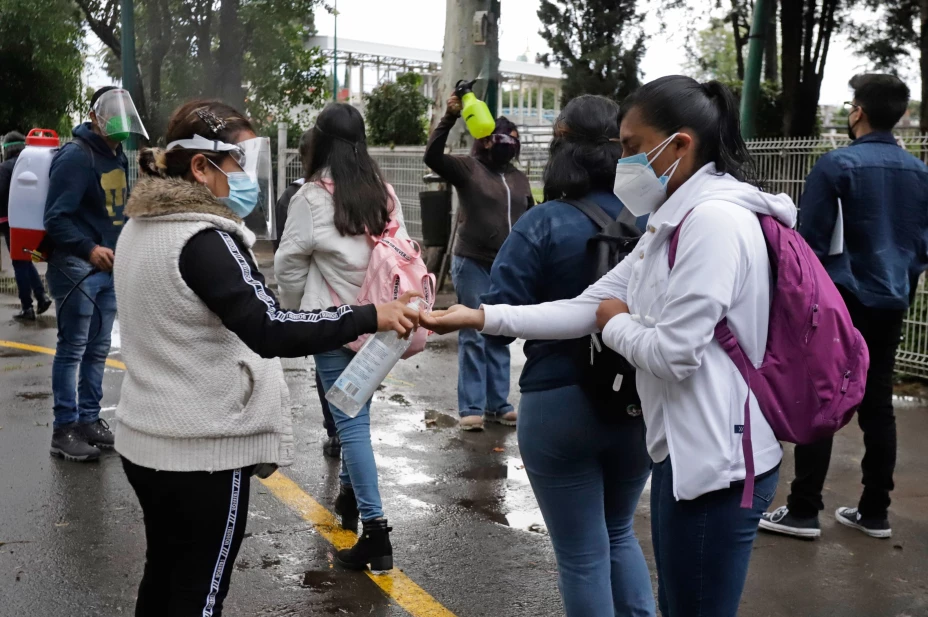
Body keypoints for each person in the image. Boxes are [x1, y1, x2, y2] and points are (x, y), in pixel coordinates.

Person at [423, 76, 792, 617]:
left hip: (720, 461)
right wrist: (476, 315)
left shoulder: (712, 221)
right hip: (682, 449)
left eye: (633, 147)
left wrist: (614, 324)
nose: (622, 160)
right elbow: (587, 303)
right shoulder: (670, 222)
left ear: (680, 145)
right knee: (650, 573)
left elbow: (672, 350)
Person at [115, 99, 420, 616]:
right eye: (235, 162)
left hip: (147, 440)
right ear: (200, 166)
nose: (241, 175)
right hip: (202, 450)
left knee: (164, 572)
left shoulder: (138, 229)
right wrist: (370, 315)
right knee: (199, 592)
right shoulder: (203, 238)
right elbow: (270, 326)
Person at [479, 95, 653, 616]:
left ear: (562, 146)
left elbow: (495, 320)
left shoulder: (543, 223)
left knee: (581, 556)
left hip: (559, 404)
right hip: (638, 402)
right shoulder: (654, 222)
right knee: (619, 533)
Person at [760, 74, 928, 540]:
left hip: (840, 300)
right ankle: (874, 512)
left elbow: (810, 242)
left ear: (858, 112)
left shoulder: (837, 165)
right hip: (893, 297)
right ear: (900, 116)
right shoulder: (920, 173)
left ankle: (804, 509)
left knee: (825, 392)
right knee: (878, 401)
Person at [274, 102, 409, 571]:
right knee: (359, 414)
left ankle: (376, 533)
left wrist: (293, 312)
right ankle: (351, 498)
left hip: (335, 324)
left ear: (320, 141)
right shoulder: (384, 193)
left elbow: (289, 263)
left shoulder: (312, 197)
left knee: (351, 425)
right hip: (383, 324)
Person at [44, 86, 146, 462]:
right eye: (113, 113)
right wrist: (89, 248)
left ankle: (89, 420)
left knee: (98, 348)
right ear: (95, 117)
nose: (121, 121)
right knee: (72, 348)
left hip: (109, 267)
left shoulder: (116, 156)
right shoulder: (76, 156)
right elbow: (56, 217)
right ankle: (64, 428)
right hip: (77, 267)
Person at [424, 94, 533, 431]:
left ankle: (498, 404)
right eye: (501, 136)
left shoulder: (518, 177)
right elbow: (432, 156)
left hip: (506, 264)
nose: (507, 143)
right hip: (472, 261)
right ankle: (471, 407)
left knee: (500, 329)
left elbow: (529, 213)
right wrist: (450, 116)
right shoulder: (469, 168)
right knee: (473, 332)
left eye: (513, 139)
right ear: (485, 139)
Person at [273, 128, 341, 459]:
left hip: (319, 301)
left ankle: (336, 430)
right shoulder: (356, 189)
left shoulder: (296, 197)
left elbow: (285, 256)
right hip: (357, 299)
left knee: (327, 366)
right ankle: (342, 430)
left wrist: (295, 311)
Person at [0, 131, 52, 321]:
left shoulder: (5, 168)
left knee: (19, 260)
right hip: (33, 219)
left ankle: (27, 307)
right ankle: (41, 296)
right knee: (26, 258)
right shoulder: (34, 166)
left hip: (10, 221)